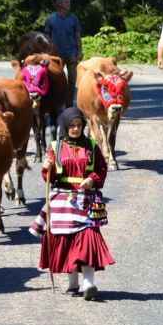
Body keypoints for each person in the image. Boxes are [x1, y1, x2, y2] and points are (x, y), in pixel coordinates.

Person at [29, 107, 113, 301]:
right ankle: (73, 283)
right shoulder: (55, 147)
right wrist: (46, 168)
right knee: (66, 241)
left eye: (79, 125)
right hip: (62, 200)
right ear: (65, 127)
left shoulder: (91, 145)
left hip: (86, 199)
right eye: (72, 126)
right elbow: (48, 177)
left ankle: (89, 283)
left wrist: (92, 179)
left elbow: (101, 169)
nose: (75, 129)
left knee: (88, 238)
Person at [44, 0, 82, 107]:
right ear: (60, 4)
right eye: (66, 2)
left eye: (69, 2)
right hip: (56, 55)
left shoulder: (73, 18)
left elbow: (77, 35)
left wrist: (80, 51)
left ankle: (69, 105)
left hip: (71, 54)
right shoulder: (51, 19)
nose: (69, 4)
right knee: (57, 81)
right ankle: (56, 104)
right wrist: (47, 54)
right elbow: (47, 38)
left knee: (72, 81)